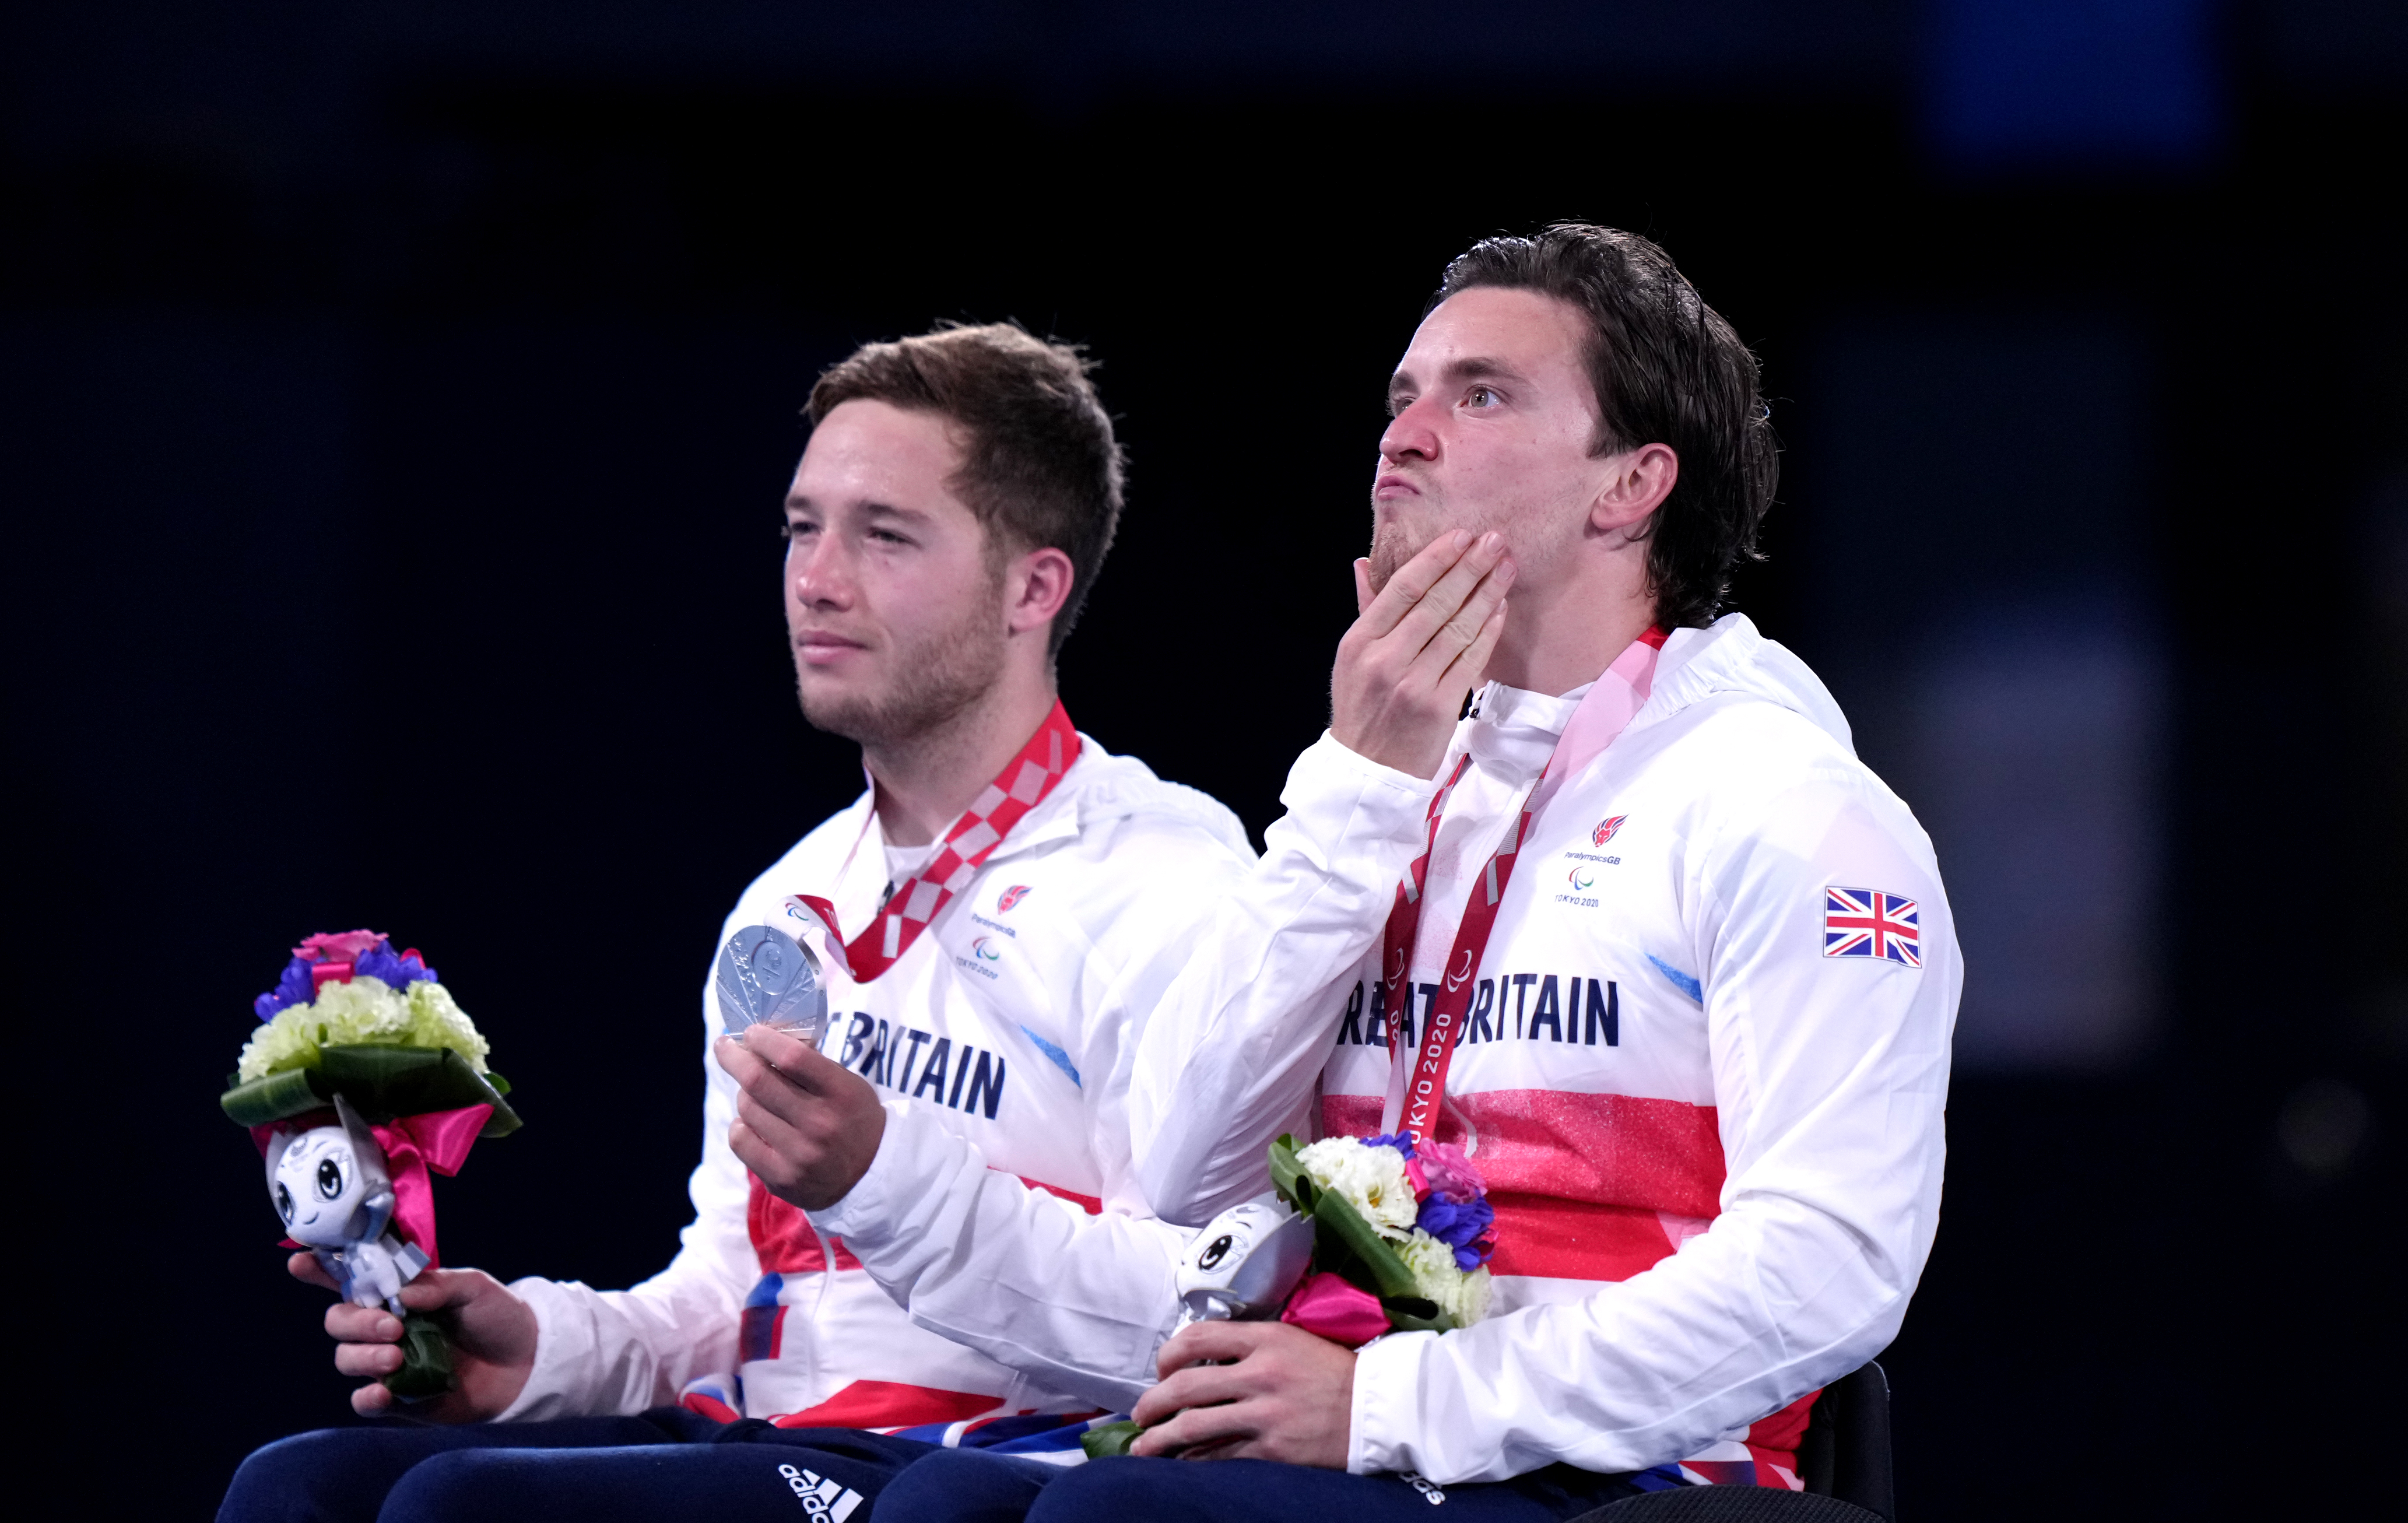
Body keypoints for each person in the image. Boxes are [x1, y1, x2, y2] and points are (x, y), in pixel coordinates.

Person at [882, 224, 1961, 1523]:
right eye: (1402, 396)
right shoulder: (1395, 797)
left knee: (1112, 1520)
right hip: (1373, 1444)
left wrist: (1393, 1408)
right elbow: (1177, 1179)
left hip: (1618, 1478)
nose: (1403, 435)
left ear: (1628, 488)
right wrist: (1357, 779)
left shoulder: (1788, 812)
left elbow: (1833, 1263)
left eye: (1481, 393)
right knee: (946, 1508)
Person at [217, 322, 1270, 1523]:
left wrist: (882, 1178)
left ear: (1034, 586)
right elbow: (731, 1287)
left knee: (461, 1508)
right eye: (802, 526)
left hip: (990, 1455)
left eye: (883, 535)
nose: (817, 577)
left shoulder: (1167, 885)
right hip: (764, 1432)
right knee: (298, 1486)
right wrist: (541, 1349)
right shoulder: (793, 895)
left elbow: (1192, 1314)